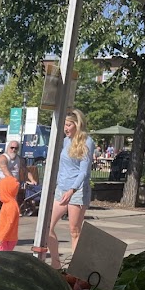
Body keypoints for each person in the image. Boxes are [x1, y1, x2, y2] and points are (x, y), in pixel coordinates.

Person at [48, 108, 95, 269]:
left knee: (74, 230)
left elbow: (84, 171)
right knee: (47, 227)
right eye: (65, 125)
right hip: (62, 189)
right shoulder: (66, 141)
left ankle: (77, 269)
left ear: (77, 124)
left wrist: (72, 190)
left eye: (69, 125)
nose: (66, 128)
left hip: (77, 191)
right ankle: (56, 264)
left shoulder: (87, 142)